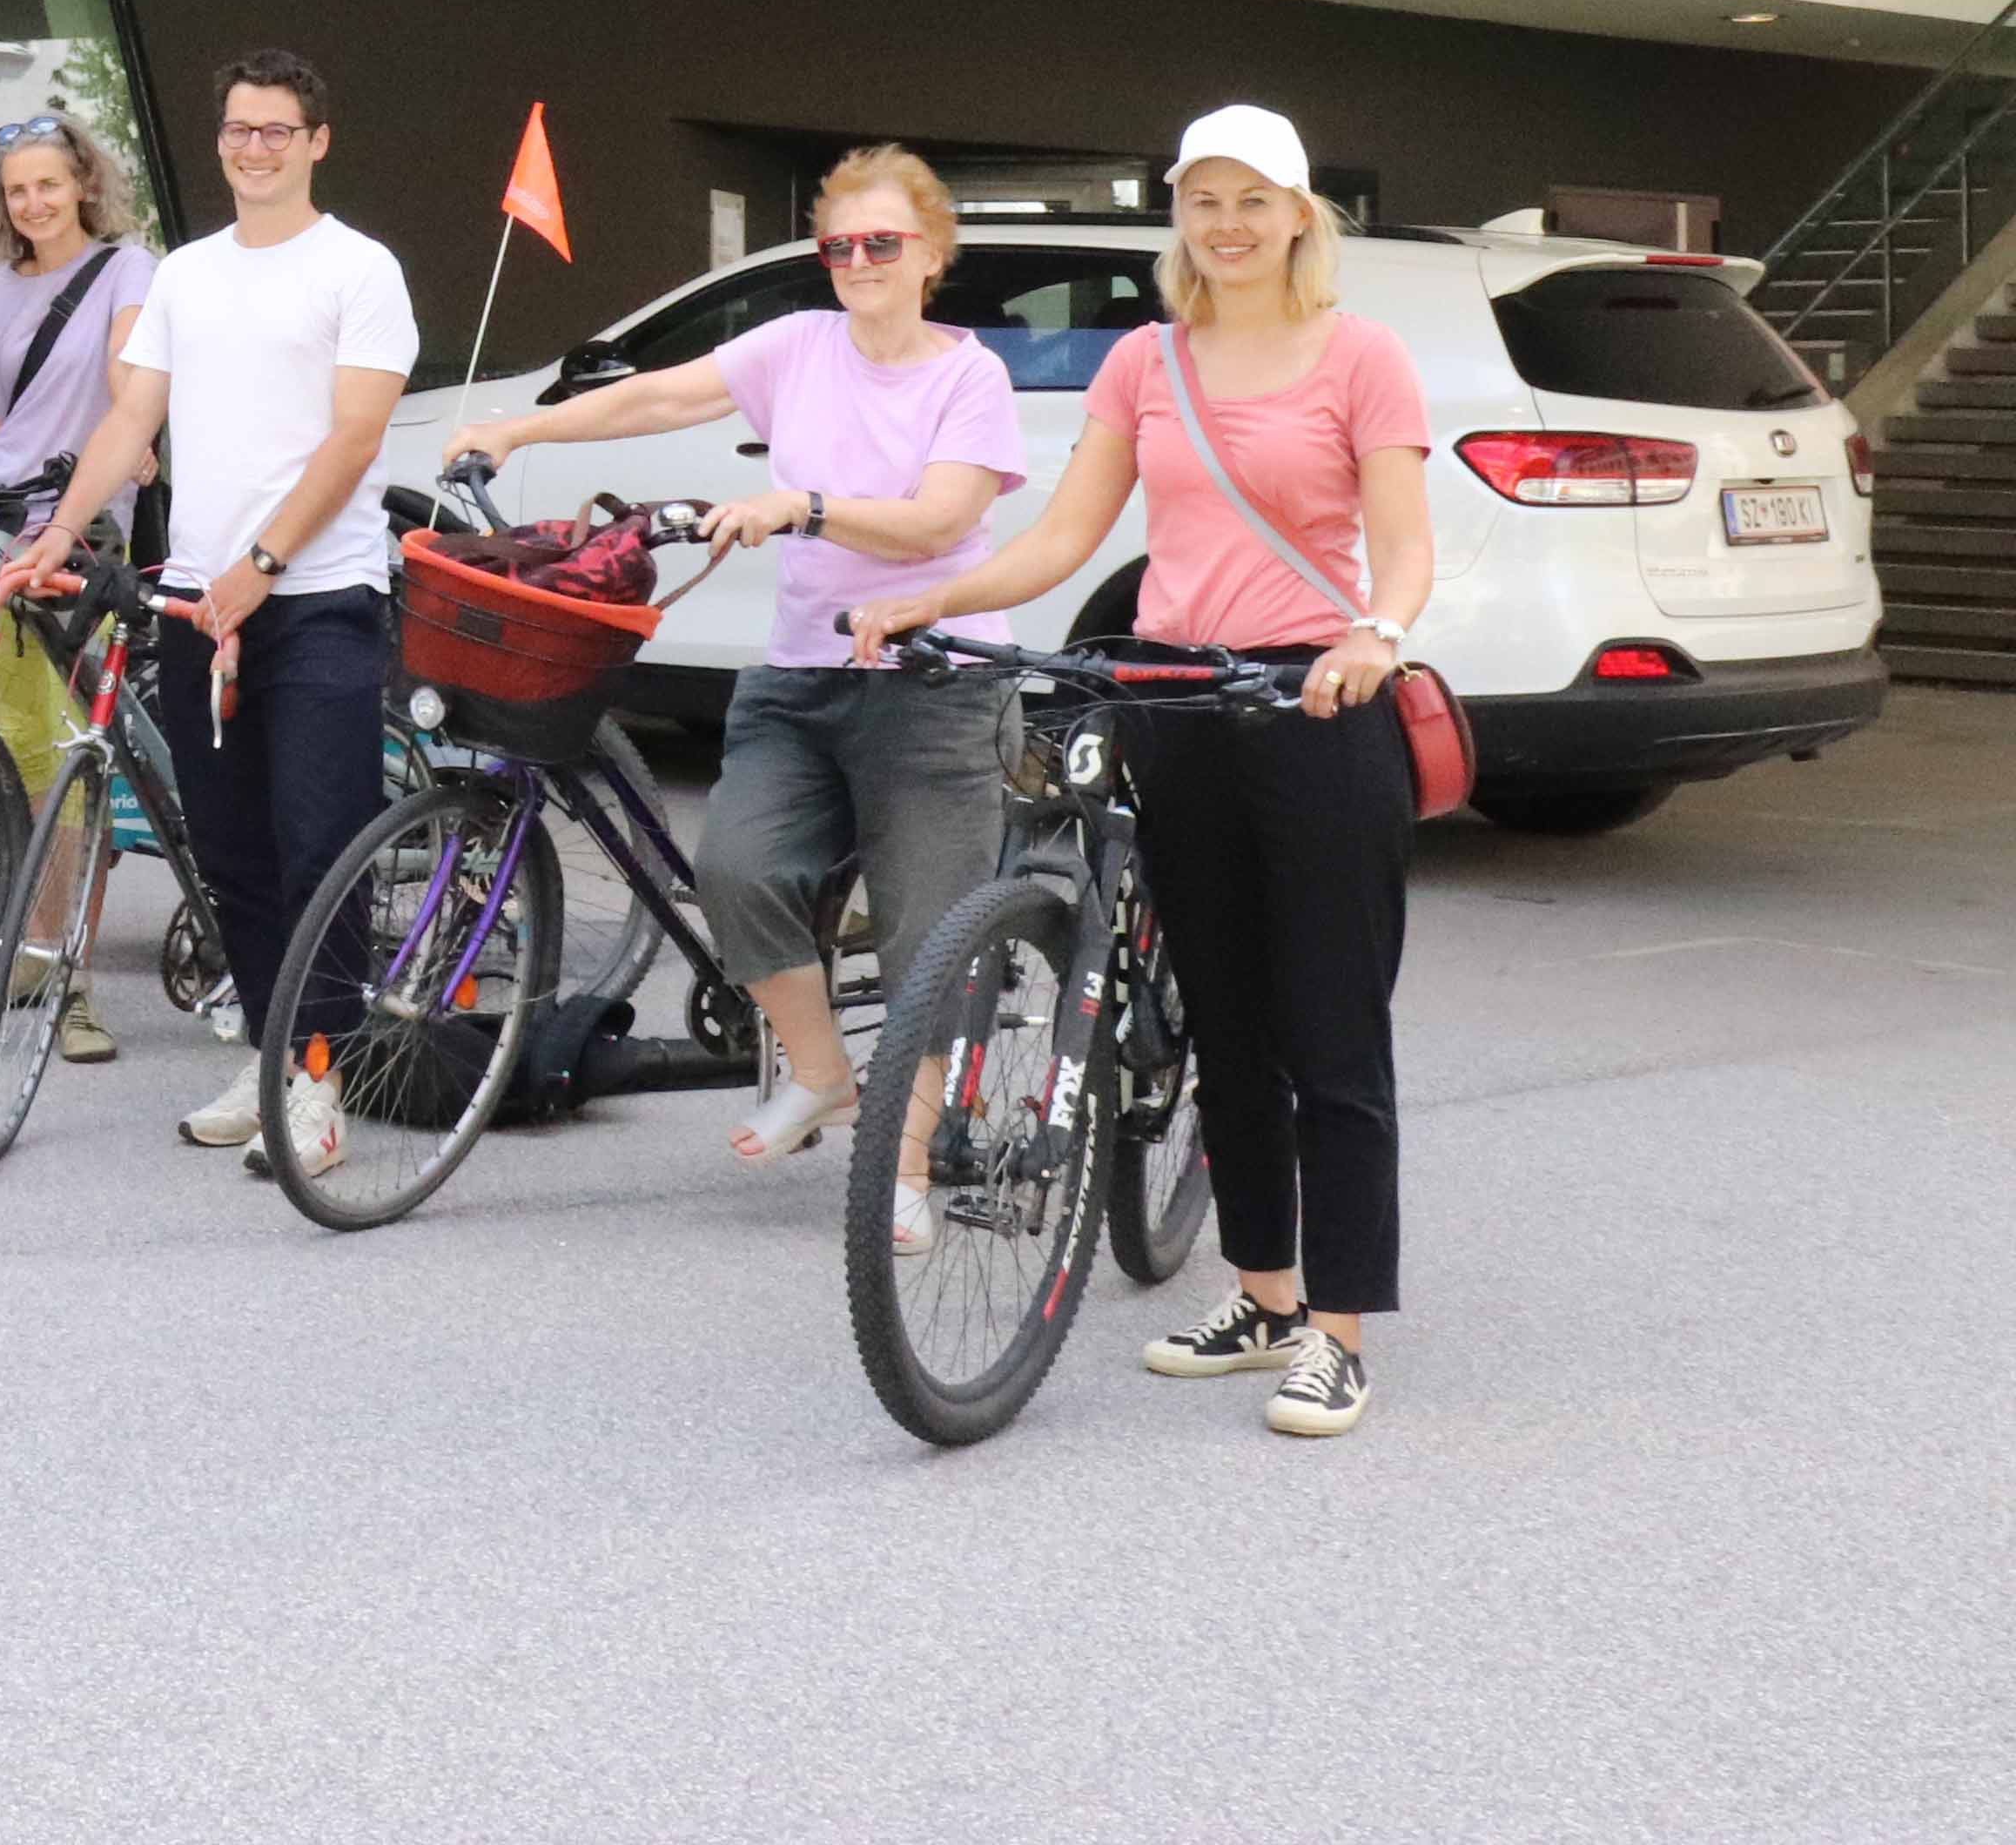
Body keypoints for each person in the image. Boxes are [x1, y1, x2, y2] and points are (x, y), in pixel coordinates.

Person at [853, 105, 1428, 1441]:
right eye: (1201, 200)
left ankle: (1340, 1332)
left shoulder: (1362, 357)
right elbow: (1064, 534)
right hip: (1175, 696)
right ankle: (1267, 1296)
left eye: (1251, 200)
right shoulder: (1145, 361)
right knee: (1224, 1025)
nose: (1225, 225)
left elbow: (1401, 547)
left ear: (1298, 212)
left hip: (1312, 698)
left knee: (1331, 1033)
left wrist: (1375, 637)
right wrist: (934, 601)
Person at [456, 145, 1024, 1236]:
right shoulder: (799, 344)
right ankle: (820, 1072)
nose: (857, 260)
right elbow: (657, 397)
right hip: (802, 675)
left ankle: (903, 1170)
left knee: (925, 938)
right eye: (840, 244)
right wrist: (519, 427)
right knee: (736, 868)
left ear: (931, 255)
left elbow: (944, 520)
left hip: (935, 684)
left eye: (882, 243)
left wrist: (801, 506)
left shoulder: (969, 377)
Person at [0, 47, 413, 1175]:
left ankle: (320, 1081)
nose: (255, 147)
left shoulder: (358, 270)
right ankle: (277, 1055)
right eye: (239, 128)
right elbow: (132, 423)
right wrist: (53, 536)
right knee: (230, 854)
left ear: (317, 142)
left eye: (278, 130)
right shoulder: (186, 274)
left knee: (318, 844)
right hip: (195, 609)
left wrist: (265, 564)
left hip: (318, 601)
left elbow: (355, 437)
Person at [0, 110, 158, 1071]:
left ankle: (69, 977)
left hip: (83, 524)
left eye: (48, 184)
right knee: (25, 754)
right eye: (16, 189)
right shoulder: (7, 289)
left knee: (75, 757)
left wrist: (132, 441)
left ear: (82, 183)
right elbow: (16, 418)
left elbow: (125, 388)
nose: (33, 203)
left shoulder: (128, 270)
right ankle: (37, 953)